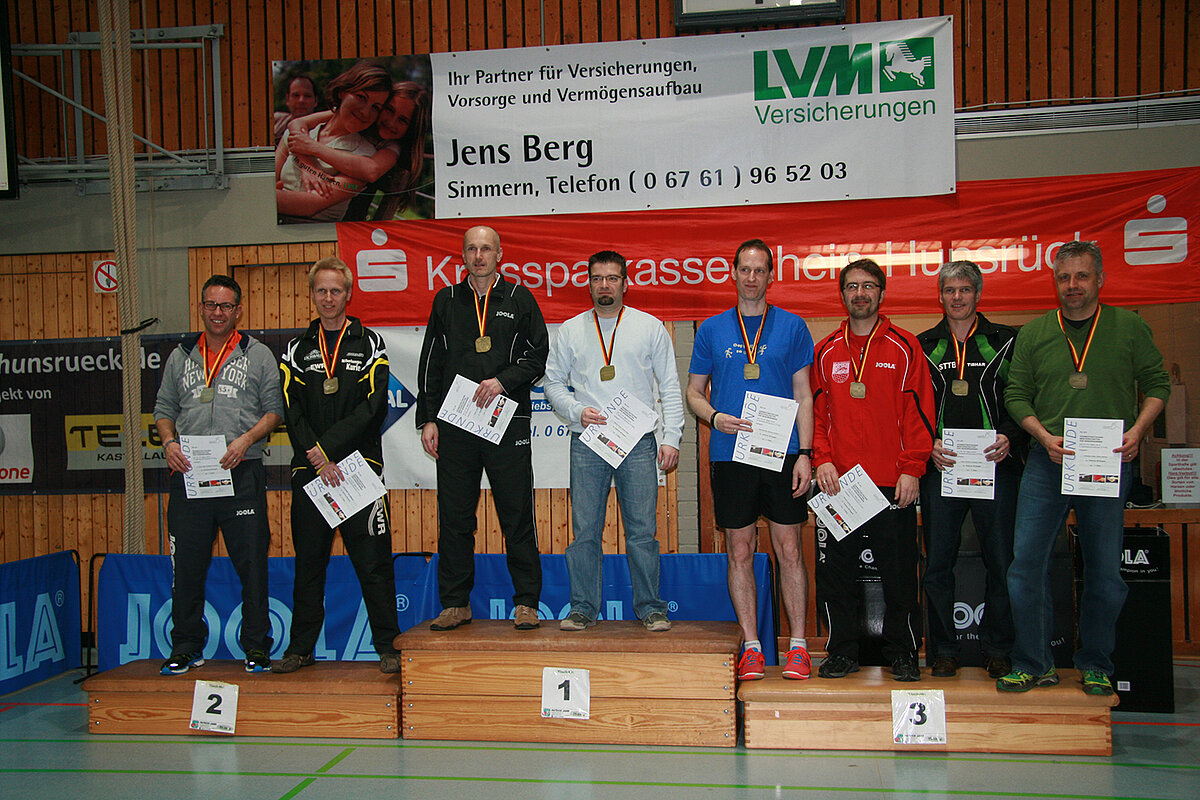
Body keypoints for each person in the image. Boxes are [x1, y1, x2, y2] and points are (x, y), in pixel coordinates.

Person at [1000, 241, 1169, 696]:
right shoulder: (1035, 332)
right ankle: (1033, 663)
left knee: (1104, 573)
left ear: (1100, 280)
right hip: (1047, 461)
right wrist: (1042, 437)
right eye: (1064, 277)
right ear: (1054, 282)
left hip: (1108, 461)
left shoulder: (1129, 327)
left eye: (1081, 276)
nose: (1072, 285)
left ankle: (1095, 664)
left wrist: (1137, 432)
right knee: (1025, 566)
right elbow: (1016, 395)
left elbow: (1157, 384)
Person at [686, 239, 816, 681]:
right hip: (731, 454)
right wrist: (714, 417)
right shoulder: (712, 329)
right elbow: (693, 393)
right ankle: (753, 648)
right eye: (745, 269)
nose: (752, 277)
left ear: (771, 276)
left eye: (760, 270)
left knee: (789, 549)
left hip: (783, 453)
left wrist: (806, 453)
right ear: (734, 274)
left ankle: (798, 647)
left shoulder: (793, 327)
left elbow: (803, 395)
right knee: (739, 550)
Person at [417, 226, 549, 631]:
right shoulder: (446, 300)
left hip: (507, 421)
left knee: (516, 514)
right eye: (472, 249)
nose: (479, 256)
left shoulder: (520, 298)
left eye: (486, 249)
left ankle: (526, 602)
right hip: (456, 423)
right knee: (455, 517)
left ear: (499, 254)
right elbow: (431, 363)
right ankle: (456, 603)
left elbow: (538, 356)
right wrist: (428, 418)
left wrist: (503, 381)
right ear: (462, 255)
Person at [544, 250, 684, 632]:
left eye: (612, 278)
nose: (604, 285)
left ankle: (651, 608)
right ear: (589, 283)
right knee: (585, 532)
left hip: (637, 440)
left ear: (625, 283)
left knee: (642, 531)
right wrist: (575, 411)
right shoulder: (570, 330)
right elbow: (552, 383)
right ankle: (582, 608)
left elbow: (670, 387)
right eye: (597, 278)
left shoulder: (650, 327)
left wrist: (671, 437)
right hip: (588, 439)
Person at [274, 257, 401, 674]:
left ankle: (388, 646)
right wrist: (315, 454)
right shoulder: (296, 349)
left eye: (335, 290)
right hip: (311, 473)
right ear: (312, 295)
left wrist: (327, 448)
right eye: (321, 291)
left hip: (358, 470)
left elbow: (374, 405)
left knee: (374, 565)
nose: (328, 298)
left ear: (348, 294)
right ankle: (300, 648)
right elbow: (291, 408)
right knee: (309, 566)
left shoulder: (370, 343)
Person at [153, 275, 284, 675]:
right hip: (190, 474)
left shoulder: (258, 354)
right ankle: (185, 646)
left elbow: (274, 411)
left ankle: (257, 647)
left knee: (252, 566)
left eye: (226, 306)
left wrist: (246, 440)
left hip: (240, 471)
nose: (218, 312)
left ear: (238, 311)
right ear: (201, 308)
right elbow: (163, 409)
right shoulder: (180, 356)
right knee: (187, 568)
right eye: (211, 305)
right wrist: (169, 443)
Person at [812, 258, 934, 682]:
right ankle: (841, 652)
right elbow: (818, 415)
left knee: (899, 575)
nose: (859, 294)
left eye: (867, 286)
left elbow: (919, 413)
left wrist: (912, 467)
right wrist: (823, 459)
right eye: (852, 286)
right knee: (836, 576)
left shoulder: (905, 346)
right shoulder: (826, 350)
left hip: (891, 481)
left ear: (882, 292)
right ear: (842, 294)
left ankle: (904, 653)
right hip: (839, 483)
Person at [917, 260, 1023, 679]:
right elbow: (912, 406)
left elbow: (1022, 396)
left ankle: (998, 649)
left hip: (997, 467)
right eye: (949, 290)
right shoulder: (924, 345)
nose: (957, 297)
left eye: (964, 289)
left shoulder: (1007, 341)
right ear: (940, 296)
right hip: (941, 467)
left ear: (978, 294)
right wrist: (928, 444)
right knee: (938, 565)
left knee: (1002, 562)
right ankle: (943, 650)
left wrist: (1011, 436)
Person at [286, 81, 431, 221]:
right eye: (389, 110)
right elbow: (297, 123)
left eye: (403, 120)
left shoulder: (392, 147)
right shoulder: (357, 117)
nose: (391, 122)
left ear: (411, 128)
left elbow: (372, 170)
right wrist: (308, 165)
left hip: (343, 216)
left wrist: (313, 148)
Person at [275, 61, 393, 223]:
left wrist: (265, 197)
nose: (365, 112)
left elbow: (310, 205)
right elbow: (269, 180)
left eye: (375, 107)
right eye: (361, 97)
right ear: (343, 92)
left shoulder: (364, 155)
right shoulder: (300, 132)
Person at [273, 74, 318, 144]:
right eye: (296, 95)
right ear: (287, 99)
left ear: (315, 101)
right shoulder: (275, 121)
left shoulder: (323, 131)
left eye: (307, 96)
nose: (301, 100)